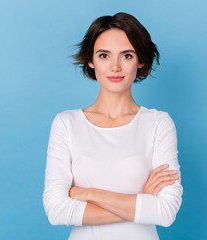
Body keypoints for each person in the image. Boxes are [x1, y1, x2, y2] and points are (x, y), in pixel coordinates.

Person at [42, 12, 183, 240]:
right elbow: (57, 210)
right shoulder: (67, 123)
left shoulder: (158, 123)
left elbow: (165, 212)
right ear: (91, 59)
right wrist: (141, 201)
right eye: (104, 55)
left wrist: (87, 193)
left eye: (127, 55)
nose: (115, 67)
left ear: (141, 60)